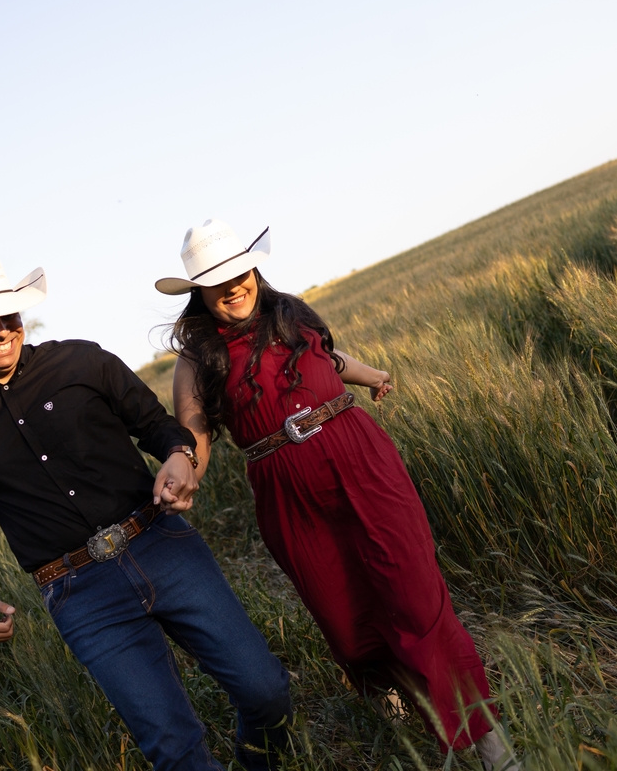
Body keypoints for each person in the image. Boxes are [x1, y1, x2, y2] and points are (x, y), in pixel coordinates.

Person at [0, 248, 293, 771]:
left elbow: (155, 424)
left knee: (266, 691)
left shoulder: (82, 362)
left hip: (163, 546)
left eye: (7, 314)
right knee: (172, 749)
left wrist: (179, 454)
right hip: (79, 593)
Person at [157, 220, 516, 769]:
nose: (231, 286)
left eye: (238, 272)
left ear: (253, 269)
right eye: (215, 281)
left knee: (416, 598)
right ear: (198, 293)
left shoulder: (290, 314)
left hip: (362, 463)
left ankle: (490, 746)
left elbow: (330, 357)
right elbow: (195, 431)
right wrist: (186, 470)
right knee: (346, 621)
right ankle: (398, 702)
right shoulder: (197, 358)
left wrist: (373, 375)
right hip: (287, 493)